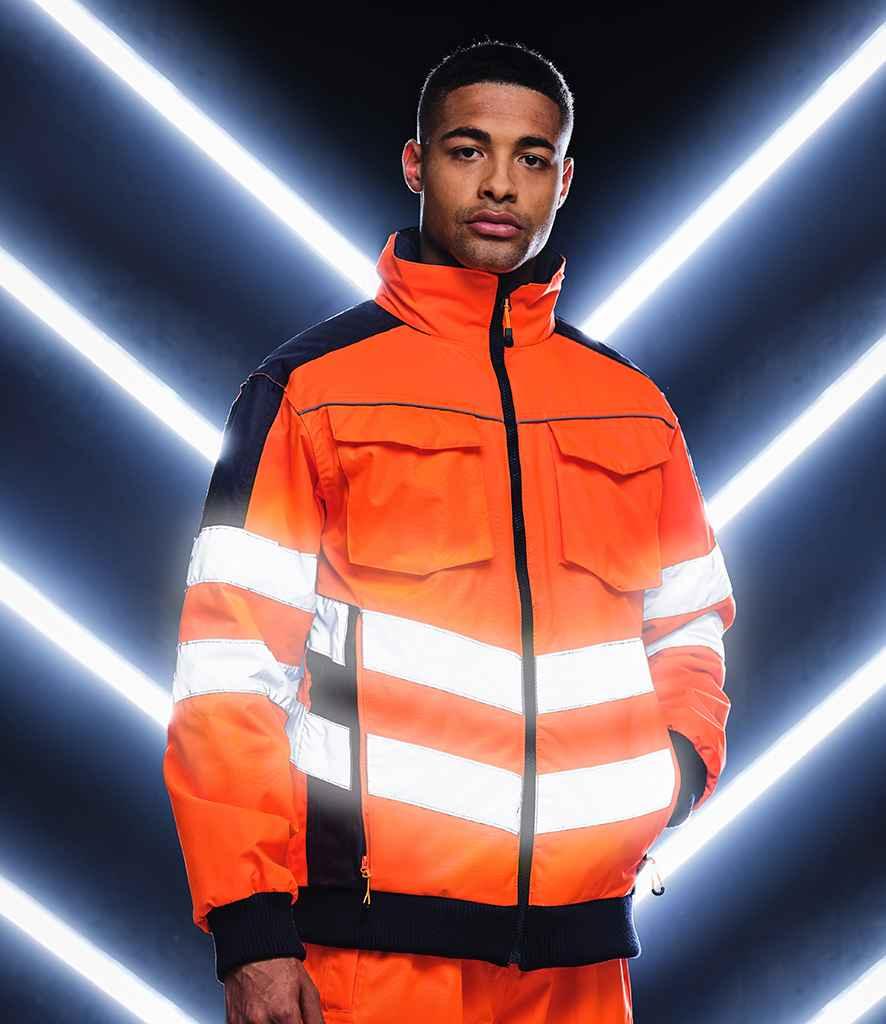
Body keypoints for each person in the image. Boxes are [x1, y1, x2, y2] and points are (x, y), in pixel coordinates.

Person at [162, 37, 736, 1024]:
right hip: (371, 954)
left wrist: (671, 776)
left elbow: (690, 625)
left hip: (579, 961)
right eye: (469, 150)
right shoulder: (309, 389)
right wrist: (250, 928)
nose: (500, 184)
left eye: (531, 157)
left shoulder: (634, 408)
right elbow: (230, 669)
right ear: (415, 163)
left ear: (564, 180)